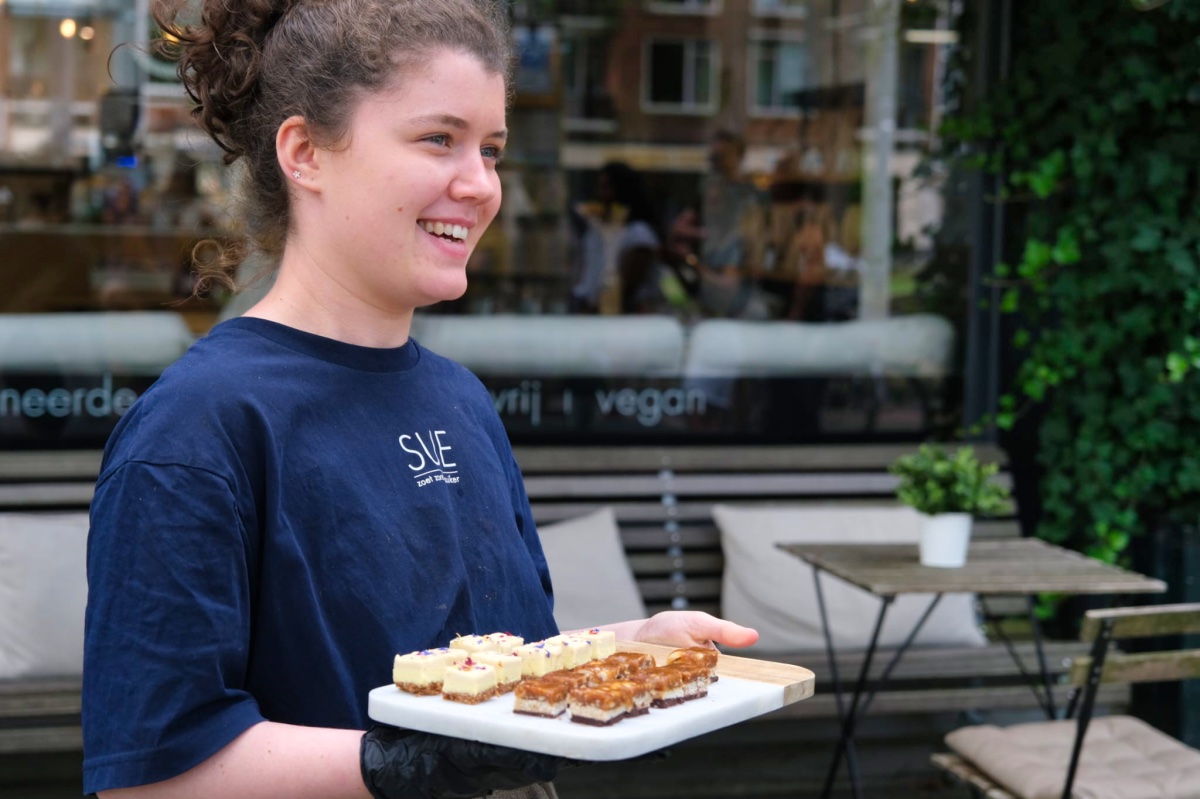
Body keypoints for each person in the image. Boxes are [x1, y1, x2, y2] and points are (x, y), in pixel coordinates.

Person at [82, 3, 759, 799]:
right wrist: (396, 762)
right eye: (438, 138)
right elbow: (150, 775)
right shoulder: (197, 428)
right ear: (305, 153)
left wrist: (627, 646)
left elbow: (475, 671)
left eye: (492, 150)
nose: (479, 185)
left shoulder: (461, 400)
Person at [568, 161, 665, 315]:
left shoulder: (638, 234)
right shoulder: (595, 231)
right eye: (599, 187)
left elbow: (627, 288)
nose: (601, 195)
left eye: (606, 188)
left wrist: (593, 311)